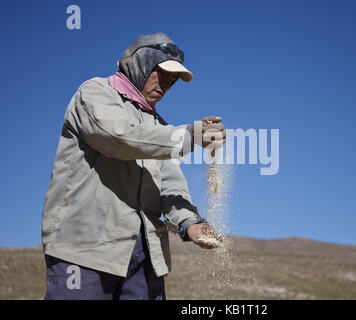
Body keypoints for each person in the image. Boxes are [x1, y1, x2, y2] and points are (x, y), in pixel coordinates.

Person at [41, 32, 226, 300]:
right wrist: (188, 136)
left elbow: (169, 184)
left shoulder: (158, 127)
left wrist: (190, 223)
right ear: (140, 61)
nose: (166, 85)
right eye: (162, 74)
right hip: (86, 251)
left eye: (172, 81)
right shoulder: (95, 93)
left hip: (144, 259)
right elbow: (117, 137)